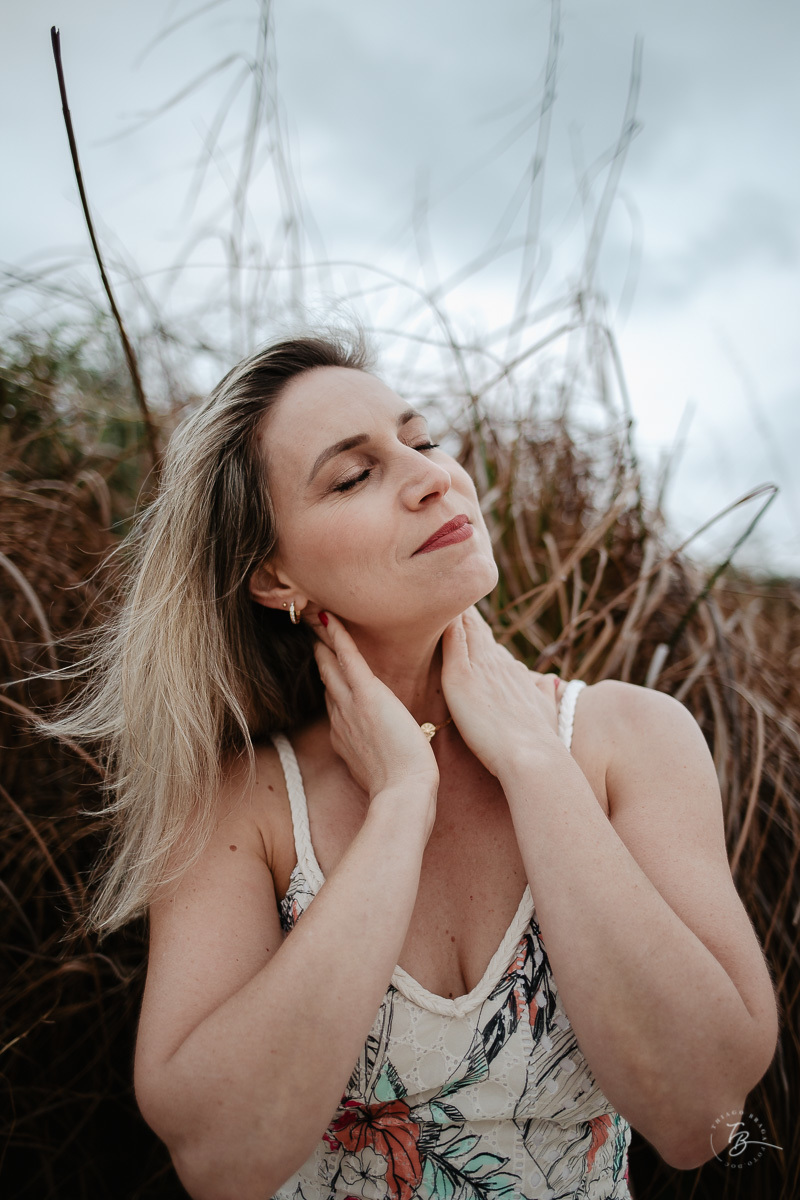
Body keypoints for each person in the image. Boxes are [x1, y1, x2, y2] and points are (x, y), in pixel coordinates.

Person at [48, 328, 779, 1200]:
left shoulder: (632, 737)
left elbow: (704, 1117)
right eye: (354, 475)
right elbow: (219, 1160)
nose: (434, 476)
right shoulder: (240, 803)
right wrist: (401, 801)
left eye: (422, 440)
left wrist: (538, 767)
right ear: (275, 576)